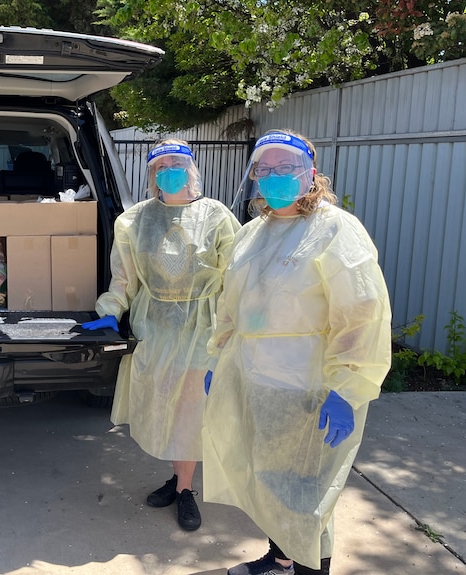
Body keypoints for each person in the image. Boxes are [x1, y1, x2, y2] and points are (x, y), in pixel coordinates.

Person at [202, 130, 392, 574]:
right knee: (271, 485)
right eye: (264, 169)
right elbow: (229, 307)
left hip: (310, 388)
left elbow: (362, 313)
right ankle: (280, 558)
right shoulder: (252, 234)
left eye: (286, 168)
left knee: (307, 498)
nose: (274, 177)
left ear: (311, 173)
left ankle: (308, 569)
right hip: (257, 382)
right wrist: (218, 357)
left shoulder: (335, 229)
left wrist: (347, 385)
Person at [82, 139, 241, 531]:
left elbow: (237, 279)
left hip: (202, 328)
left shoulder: (217, 217)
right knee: (166, 409)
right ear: (151, 175)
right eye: (160, 165)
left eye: (176, 163)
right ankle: (177, 478)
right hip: (154, 327)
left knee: (190, 411)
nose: (168, 170)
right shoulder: (134, 220)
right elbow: (124, 277)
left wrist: (230, 333)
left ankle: (185, 491)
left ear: (192, 168)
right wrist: (109, 310)